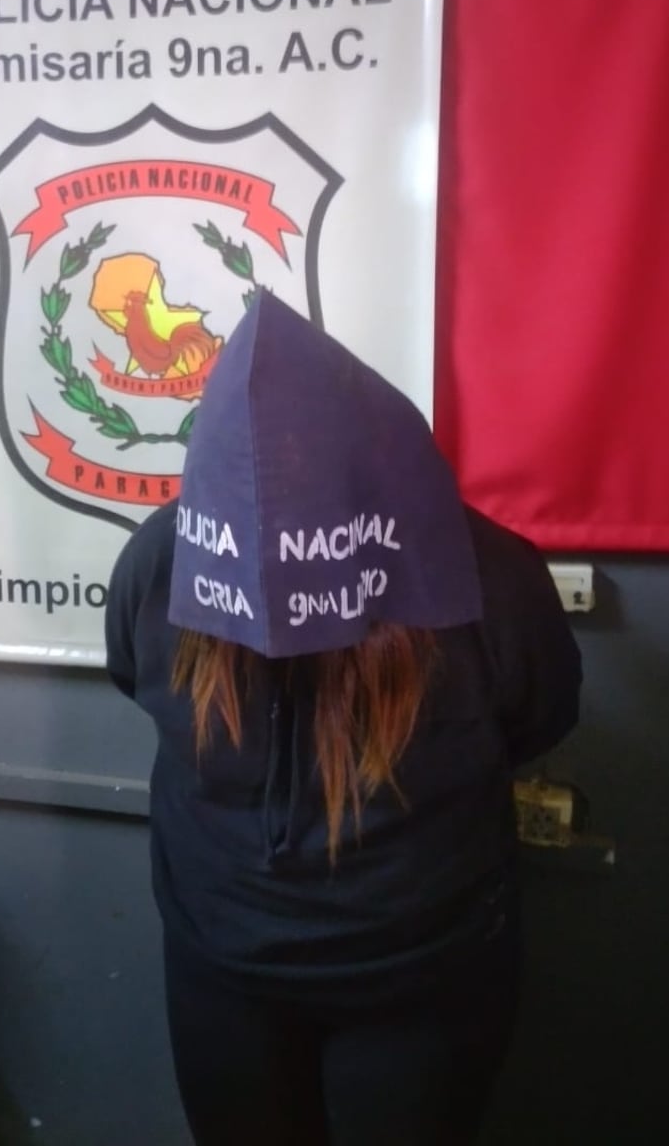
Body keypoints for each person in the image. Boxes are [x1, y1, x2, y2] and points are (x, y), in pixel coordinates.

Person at [105, 291, 581, 1146]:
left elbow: (539, 712)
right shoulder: (493, 572)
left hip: (399, 976)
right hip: (267, 964)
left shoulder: (159, 558)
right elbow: (538, 719)